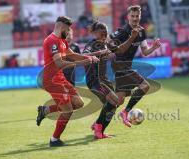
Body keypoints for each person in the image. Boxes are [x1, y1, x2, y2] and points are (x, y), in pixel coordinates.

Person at [36, 16, 101, 147]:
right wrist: (83, 62)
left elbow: (72, 55)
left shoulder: (62, 40)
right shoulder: (52, 41)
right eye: (68, 28)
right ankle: (54, 140)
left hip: (60, 78)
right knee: (68, 110)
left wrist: (90, 57)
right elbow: (59, 63)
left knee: (78, 103)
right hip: (52, 81)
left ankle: (46, 110)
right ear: (61, 26)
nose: (69, 31)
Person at [82, 21, 140, 139]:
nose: (104, 36)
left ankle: (99, 129)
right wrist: (100, 53)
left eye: (106, 33)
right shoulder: (91, 44)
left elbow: (120, 50)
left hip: (104, 81)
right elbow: (84, 57)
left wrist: (132, 38)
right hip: (94, 81)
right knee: (114, 102)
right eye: (102, 33)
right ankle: (98, 127)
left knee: (113, 105)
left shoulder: (107, 43)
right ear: (95, 33)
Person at [110, 5, 161, 127]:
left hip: (125, 66)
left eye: (137, 16)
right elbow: (110, 42)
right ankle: (125, 112)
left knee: (119, 99)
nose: (134, 18)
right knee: (145, 86)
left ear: (140, 16)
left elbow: (145, 52)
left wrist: (153, 47)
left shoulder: (142, 32)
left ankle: (98, 123)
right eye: (132, 16)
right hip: (120, 65)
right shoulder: (122, 31)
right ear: (128, 17)